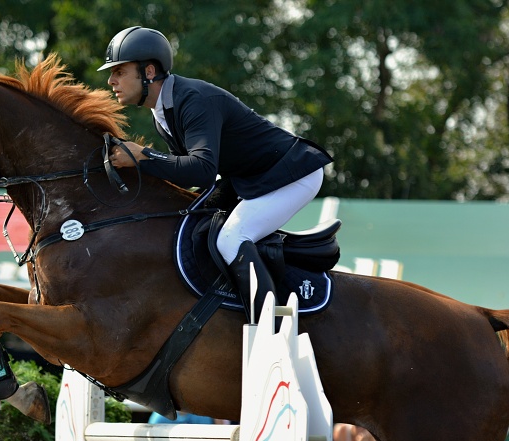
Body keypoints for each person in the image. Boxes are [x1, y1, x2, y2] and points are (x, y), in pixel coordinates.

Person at [98, 26, 333, 323]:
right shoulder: (163, 112)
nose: (110, 80)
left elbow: (202, 170)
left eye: (119, 71)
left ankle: (269, 329)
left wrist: (144, 156)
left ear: (148, 71)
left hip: (292, 174)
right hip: (252, 178)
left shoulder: (193, 99)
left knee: (232, 238)